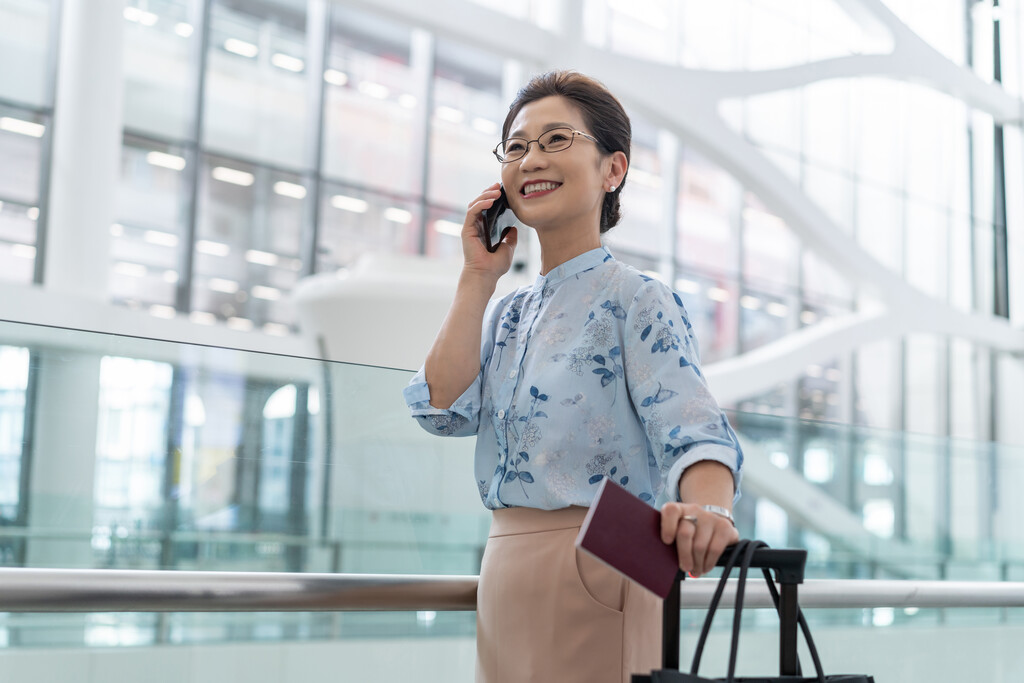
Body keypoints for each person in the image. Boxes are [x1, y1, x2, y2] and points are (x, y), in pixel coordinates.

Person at [403, 70, 742, 683]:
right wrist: (477, 278)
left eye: (556, 139)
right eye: (516, 146)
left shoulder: (637, 298)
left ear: (613, 170)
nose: (531, 158)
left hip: (603, 558)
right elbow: (439, 406)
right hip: (504, 563)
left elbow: (695, 430)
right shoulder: (508, 310)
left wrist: (709, 512)